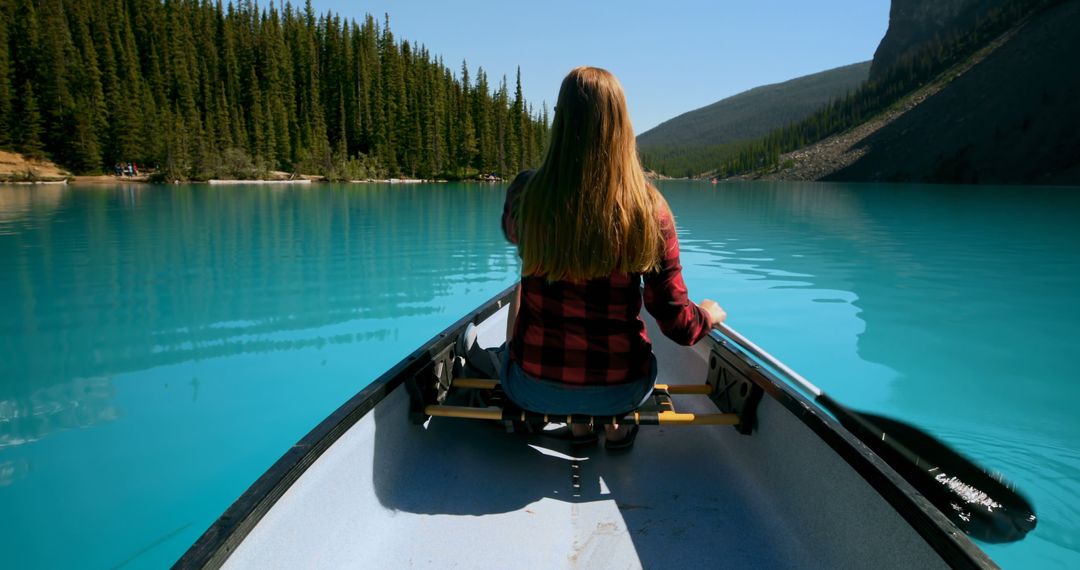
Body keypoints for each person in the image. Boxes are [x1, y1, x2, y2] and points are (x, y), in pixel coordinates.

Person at [497, 66, 726, 449]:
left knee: (523, 281)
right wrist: (708, 314)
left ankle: (577, 427)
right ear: (622, 126)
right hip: (622, 390)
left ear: (560, 122)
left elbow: (512, 235)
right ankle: (612, 427)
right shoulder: (650, 210)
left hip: (532, 388)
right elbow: (677, 325)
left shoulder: (526, 194)